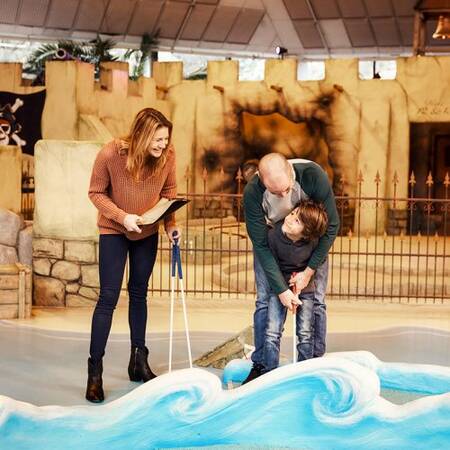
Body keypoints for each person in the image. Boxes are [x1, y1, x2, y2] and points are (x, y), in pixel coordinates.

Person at [85, 108, 180, 403]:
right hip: (115, 229)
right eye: (158, 139)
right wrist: (122, 216)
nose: (163, 145)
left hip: (147, 232)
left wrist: (170, 225)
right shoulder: (110, 154)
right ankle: (95, 371)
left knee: (139, 294)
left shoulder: (167, 156)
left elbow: (170, 192)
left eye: (166, 139)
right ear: (142, 133)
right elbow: (96, 193)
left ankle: (138, 360)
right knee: (108, 298)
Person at [242, 153, 339, 383]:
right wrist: (282, 290)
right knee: (265, 301)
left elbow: (332, 226)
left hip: (311, 244)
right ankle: (262, 364)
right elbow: (261, 245)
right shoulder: (253, 192)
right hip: (273, 243)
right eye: (276, 193)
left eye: (286, 189)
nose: (284, 197)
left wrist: (309, 271)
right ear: (262, 180)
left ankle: (314, 363)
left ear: (290, 172)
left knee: (316, 301)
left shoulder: (313, 176)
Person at [264, 201, 328, 372]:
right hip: (280, 289)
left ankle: (304, 370)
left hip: (305, 289)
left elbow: (317, 262)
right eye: (293, 213)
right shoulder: (273, 236)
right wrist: (284, 290)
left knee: (306, 333)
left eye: (298, 221)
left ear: (307, 233)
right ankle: (268, 371)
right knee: (272, 332)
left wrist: (302, 281)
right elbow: (272, 266)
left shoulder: (314, 243)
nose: (291, 218)